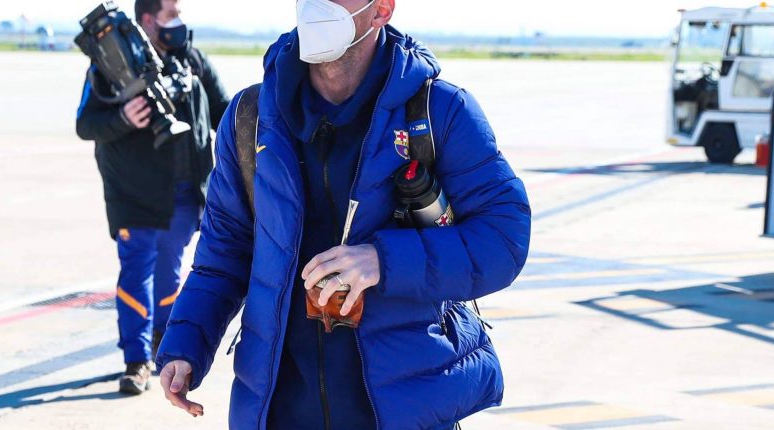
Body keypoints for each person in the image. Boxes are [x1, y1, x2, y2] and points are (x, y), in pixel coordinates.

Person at [156, 0, 531, 428]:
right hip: (280, 412)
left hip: (404, 409)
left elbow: (503, 241)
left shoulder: (439, 111)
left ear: (381, 10)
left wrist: (383, 261)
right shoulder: (251, 119)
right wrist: (186, 345)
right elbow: (223, 254)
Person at [75, 0, 230, 395]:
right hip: (134, 194)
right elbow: (86, 124)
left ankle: (165, 344)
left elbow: (225, 113)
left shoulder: (192, 61)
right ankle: (136, 360)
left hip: (185, 193)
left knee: (171, 272)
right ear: (148, 19)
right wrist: (123, 118)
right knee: (136, 274)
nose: (180, 21)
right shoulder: (108, 66)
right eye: (171, 14)